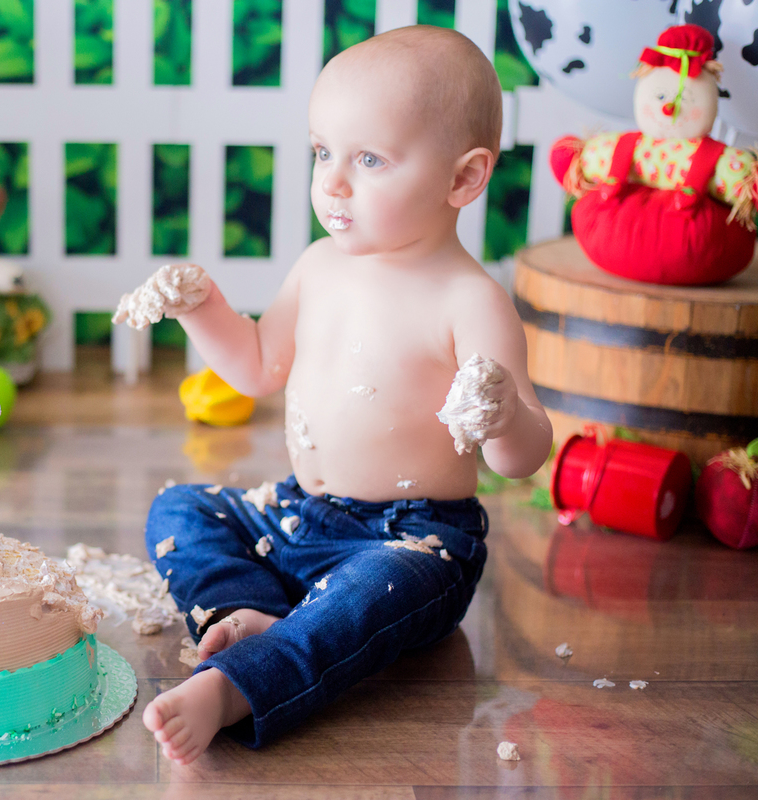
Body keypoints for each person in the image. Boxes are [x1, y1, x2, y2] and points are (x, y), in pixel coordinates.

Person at [112, 25, 553, 765]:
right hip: (298, 513)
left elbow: (523, 457)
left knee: (370, 593)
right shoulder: (320, 266)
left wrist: (502, 413)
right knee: (180, 509)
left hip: (413, 539)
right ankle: (245, 610)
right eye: (323, 153)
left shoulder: (469, 301)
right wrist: (203, 309)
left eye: (369, 159)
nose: (333, 183)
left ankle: (236, 686)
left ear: (462, 179)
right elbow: (257, 368)